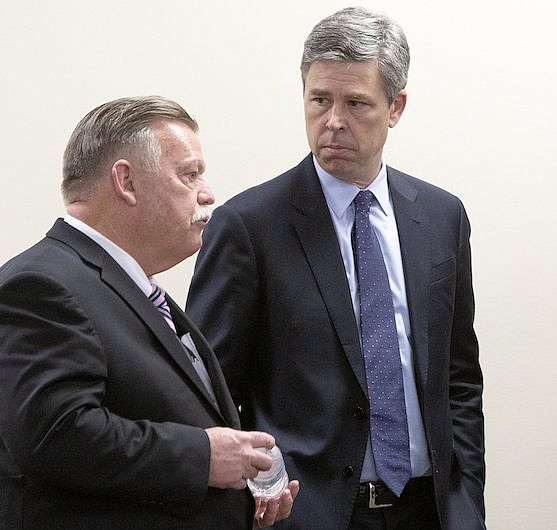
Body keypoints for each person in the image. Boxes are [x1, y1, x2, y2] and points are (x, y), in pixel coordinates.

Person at [186, 7, 485, 529]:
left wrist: (466, 500)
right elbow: (210, 392)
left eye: (356, 103)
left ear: (396, 107)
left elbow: (458, 377)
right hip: (307, 516)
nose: (333, 121)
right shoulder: (249, 226)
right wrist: (257, 498)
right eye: (319, 100)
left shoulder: (442, 217)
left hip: (431, 510)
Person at [0, 95, 298, 529]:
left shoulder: (131, 289)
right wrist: (205, 457)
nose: (207, 193)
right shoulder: (39, 286)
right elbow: (55, 435)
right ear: (125, 181)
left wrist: (234, 503)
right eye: (189, 174)